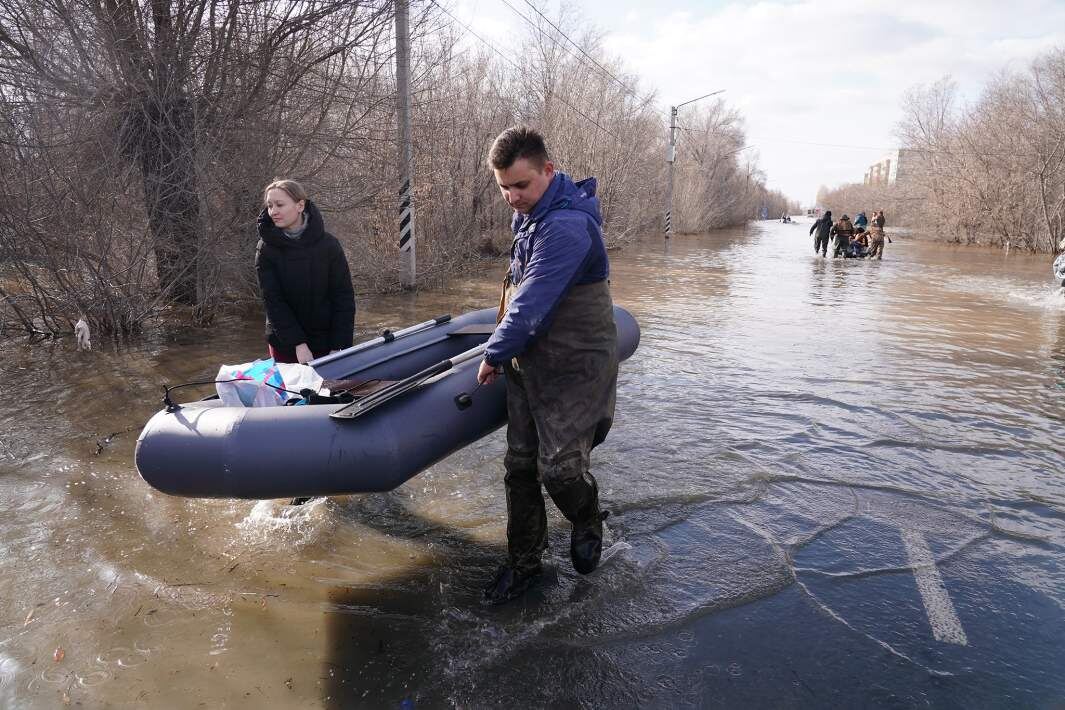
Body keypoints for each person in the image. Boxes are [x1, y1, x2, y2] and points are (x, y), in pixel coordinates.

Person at [476, 126, 617, 605]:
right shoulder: (531, 216)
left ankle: (587, 514)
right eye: (504, 188)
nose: (512, 197)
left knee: (559, 471)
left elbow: (532, 302)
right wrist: (508, 350)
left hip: (575, 365)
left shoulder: (567, 226)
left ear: (549, 171)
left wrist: (493, 352)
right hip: (531, 359)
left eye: (521, 185)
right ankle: (524, 564)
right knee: (519, 468)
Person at [255, 179, 356, 364]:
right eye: (269, 206)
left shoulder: (329, 245)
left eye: (279, 205)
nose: (273, 212)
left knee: (332, 391)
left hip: (327, 342)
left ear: (300, 205)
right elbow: (273, 301)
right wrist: (298, 344)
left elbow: (343, 297)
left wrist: (338, 345)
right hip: (286, 344)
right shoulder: (266, 249)